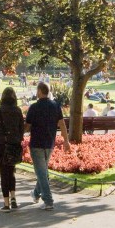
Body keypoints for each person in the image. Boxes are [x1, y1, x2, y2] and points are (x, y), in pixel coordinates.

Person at [24, 82, 71, 210]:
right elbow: (62, 124)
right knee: (43, 172)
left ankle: (48, 200)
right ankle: (35, 194)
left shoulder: (33, 107)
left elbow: (27, 127)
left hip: (36, 143)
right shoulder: (55, 106)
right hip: (50, 143)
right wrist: (66, 141)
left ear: (39, 91)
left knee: (41, 173)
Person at [0, 86, 25, 212]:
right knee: (11, 172)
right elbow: (21, 128)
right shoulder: (17, 110)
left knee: (4, 174)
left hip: (1, 145)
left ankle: (6, 203)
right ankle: (13, 197)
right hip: (14, 145)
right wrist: (17, 139)